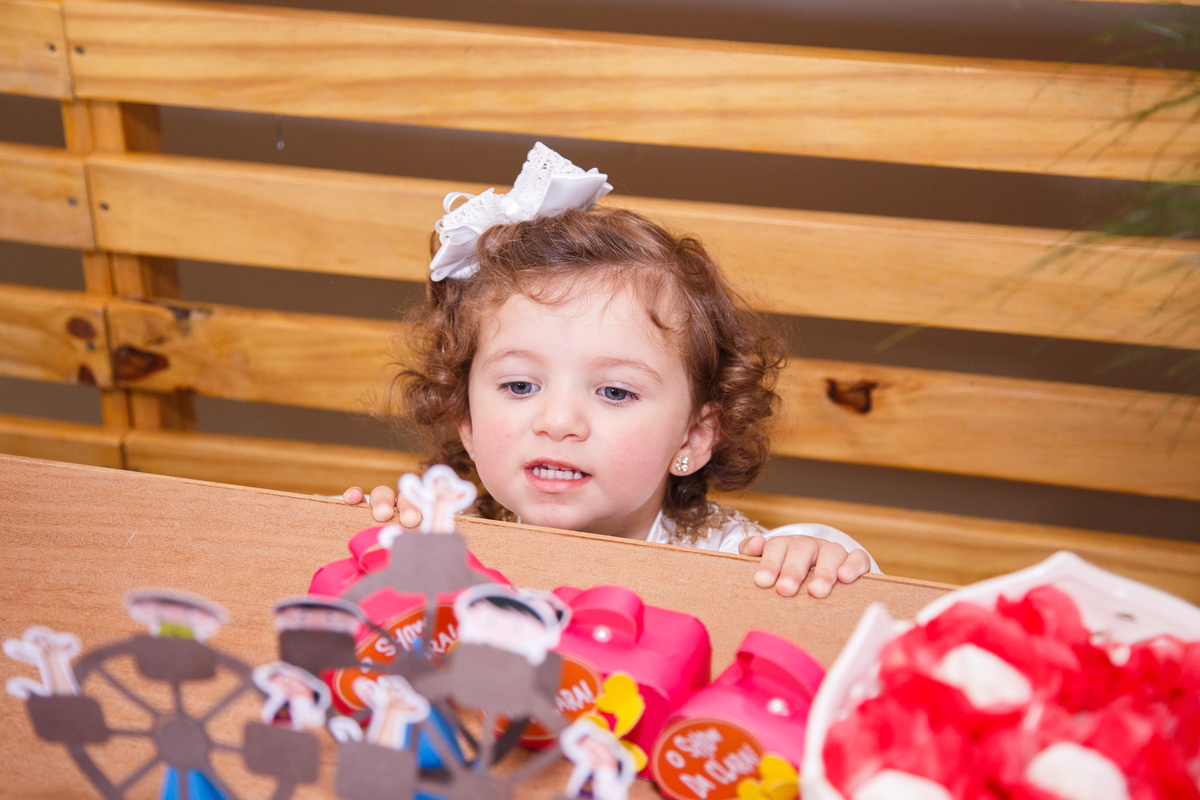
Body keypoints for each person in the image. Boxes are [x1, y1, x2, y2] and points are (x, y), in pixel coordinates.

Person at [345, 143, 877, 598]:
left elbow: (859, 603)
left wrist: (814, 556)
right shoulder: (440, 546)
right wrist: (345, 539)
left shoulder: (734, 565)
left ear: (694, 434)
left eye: (616, 392)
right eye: (520, 385)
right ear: (466, 421)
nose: (557, 421)